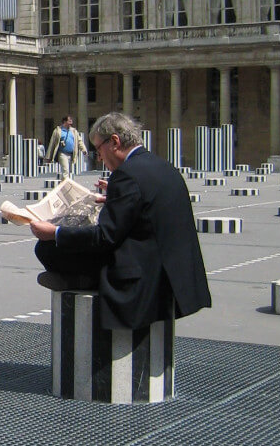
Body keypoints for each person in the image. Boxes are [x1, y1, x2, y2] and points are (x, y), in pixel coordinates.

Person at [30, 112, 212, 331]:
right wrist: (113, 198)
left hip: (143, 277)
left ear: (114, 142)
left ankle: (81, 280)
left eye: (99, 149)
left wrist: (55, 232)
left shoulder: (126, 175)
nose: (99, 158)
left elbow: (105, 236)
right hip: (174, 273)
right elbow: (149, 206)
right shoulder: (163, 166)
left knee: (47, 248)